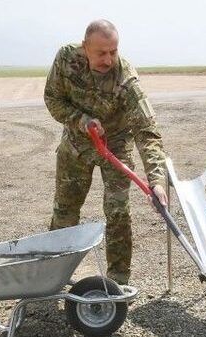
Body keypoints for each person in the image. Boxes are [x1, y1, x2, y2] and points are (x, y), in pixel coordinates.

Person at [44, 19, 167, 286]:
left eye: (113, 51)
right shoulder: (66, 59)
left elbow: (147, 132)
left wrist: (157, 181)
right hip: (77, 143)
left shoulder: (126, 79)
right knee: (65, 210)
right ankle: (53, 275)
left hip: (116, 144)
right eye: (101, 52)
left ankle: (118, 281)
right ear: (85, 46)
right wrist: (81, 119)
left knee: (118, 211)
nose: (108, 59)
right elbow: (53, 99)